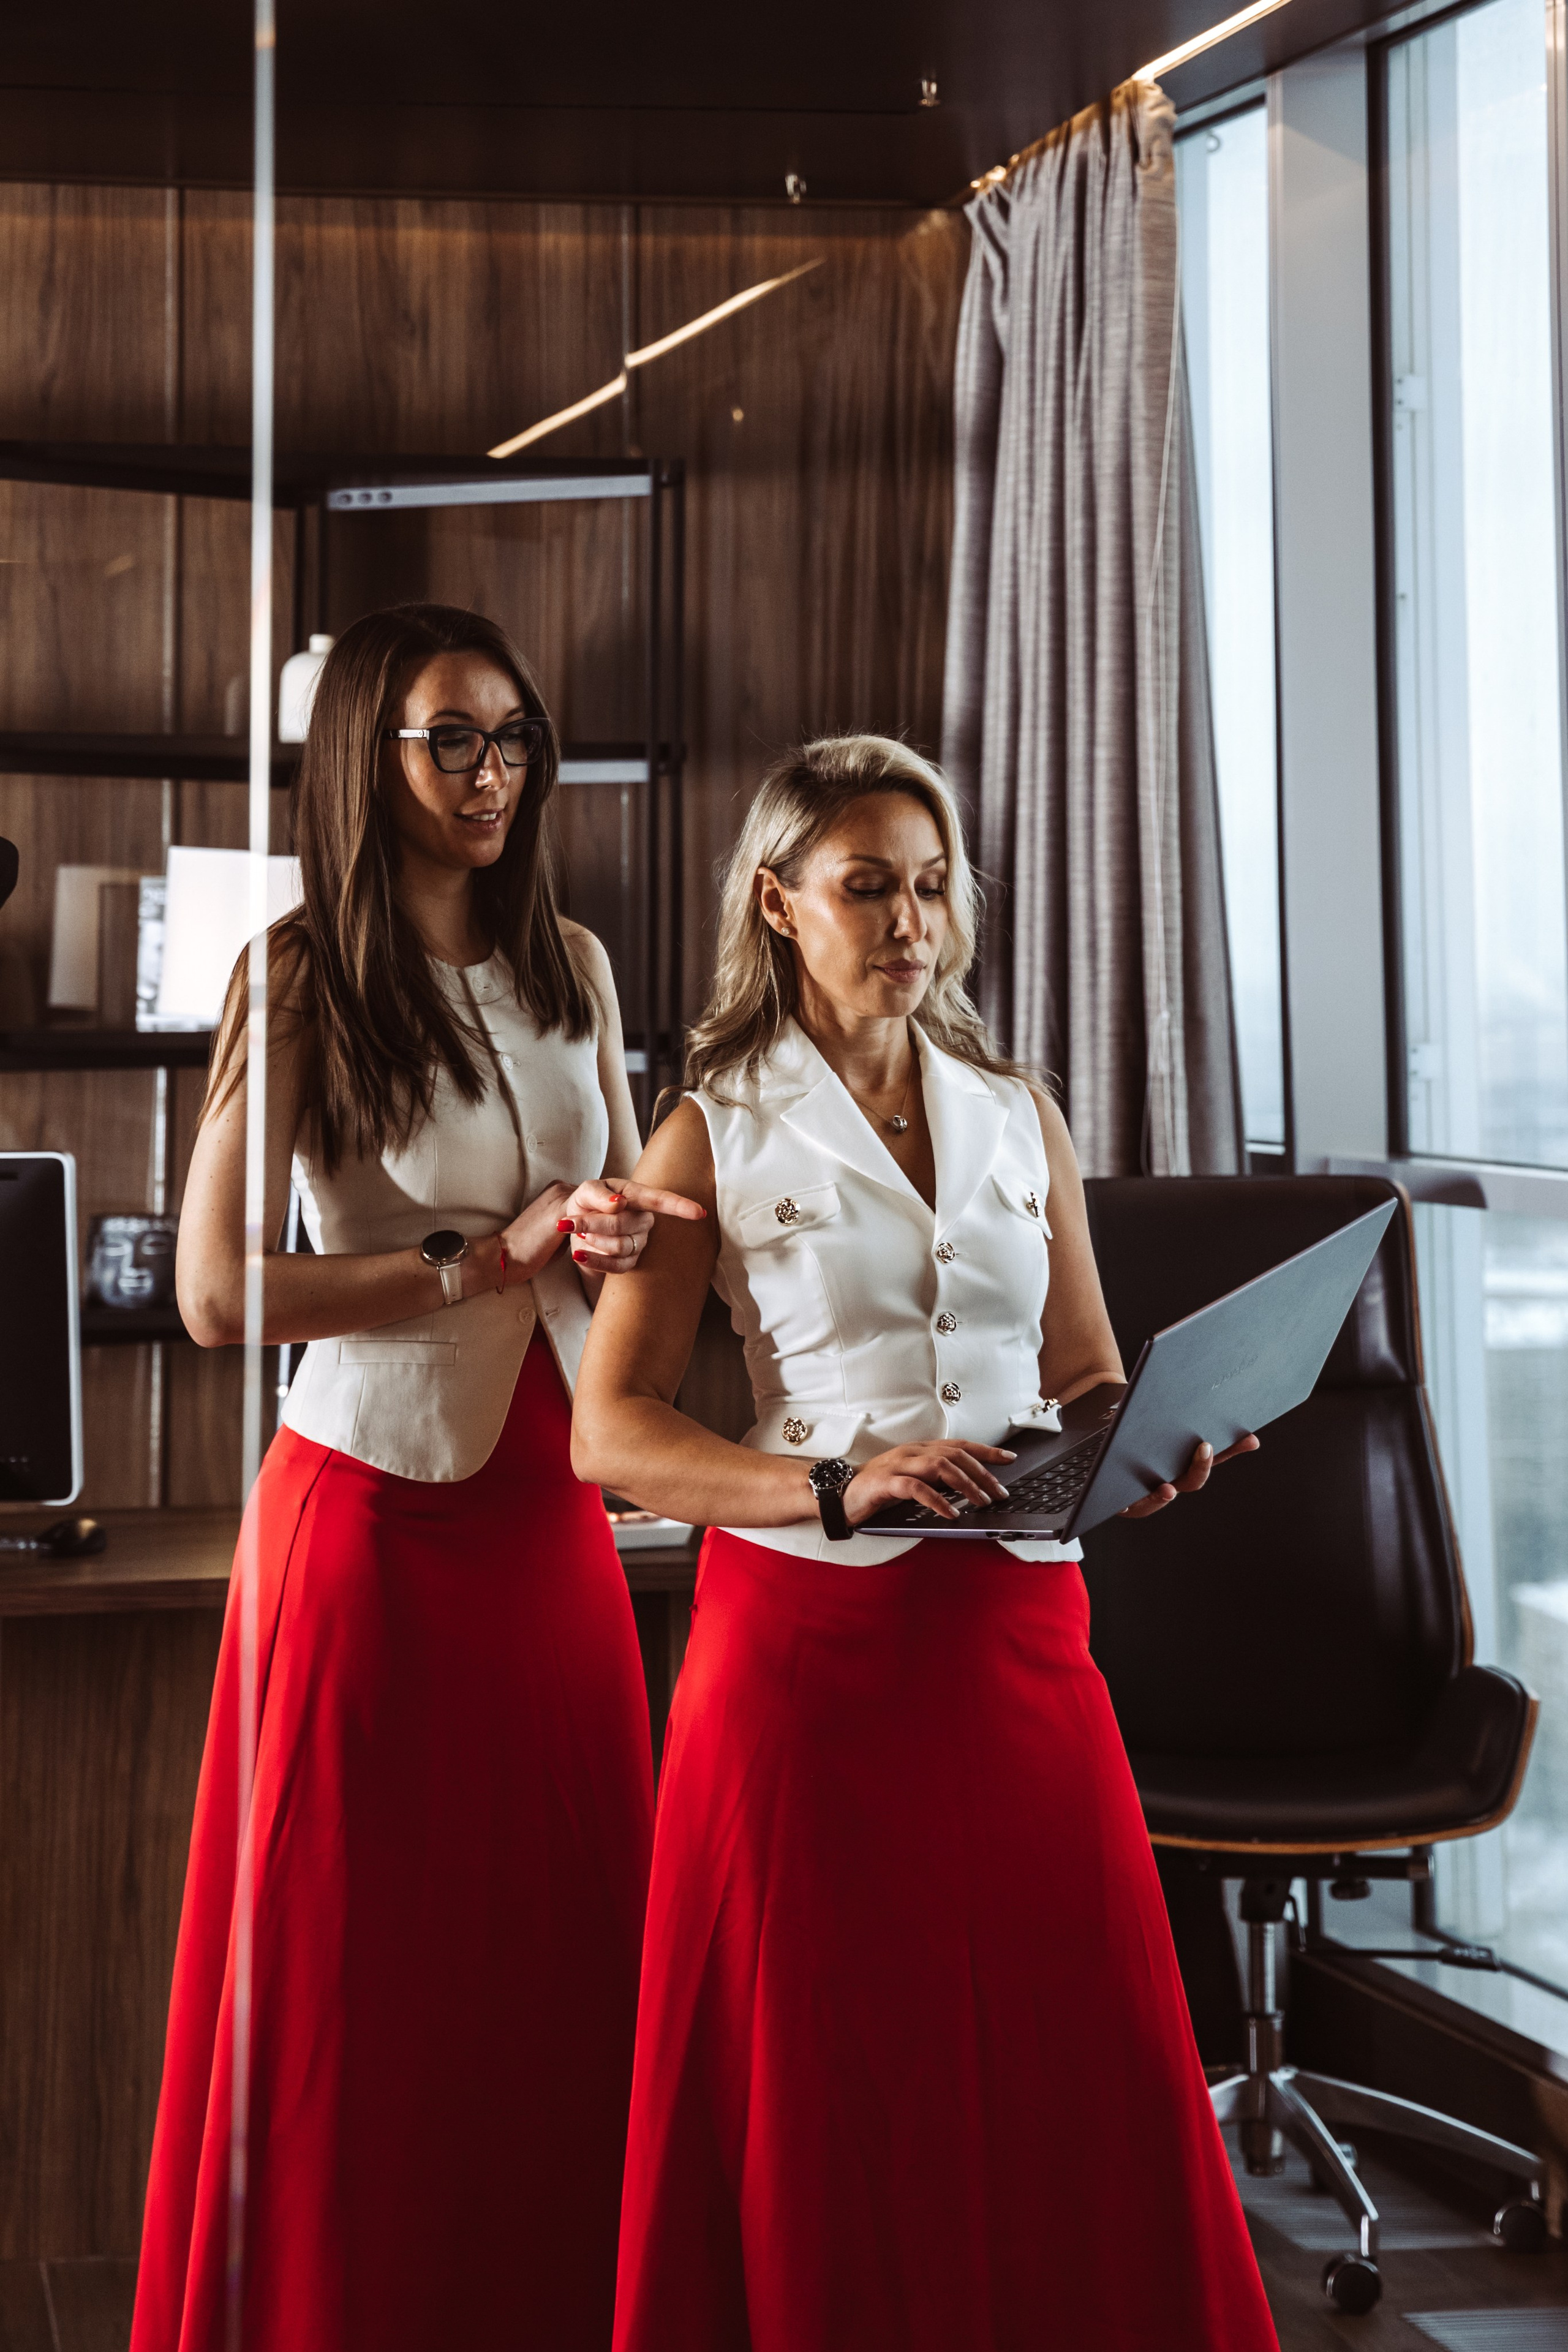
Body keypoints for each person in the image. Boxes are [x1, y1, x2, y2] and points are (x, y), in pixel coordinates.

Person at [572, 736, 1279, 2352]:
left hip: (1023, 1646)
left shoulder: (1016, 1112)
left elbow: (1084, 1371)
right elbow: (609, 1432)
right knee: (832, 2080)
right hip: (808, 1659)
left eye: (934, 883)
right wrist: (836, 1486)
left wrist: (1149, 1444)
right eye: (868, 884)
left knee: (1071, 2057)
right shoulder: (711, 1130)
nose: (912, 917)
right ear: (780, 902)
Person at [131, 604, 703, 2352]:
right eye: (449, 739)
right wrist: (480, 1256)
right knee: (355, 1984)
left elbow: (594, 1266)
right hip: (370, 1518)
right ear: (363, 759)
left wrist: (615, 1240)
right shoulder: (296, 972)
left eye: (514, 737)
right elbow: (221, 1295)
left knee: (559, 1957)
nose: (491, 773)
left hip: (548, 1512)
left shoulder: (579, 966)